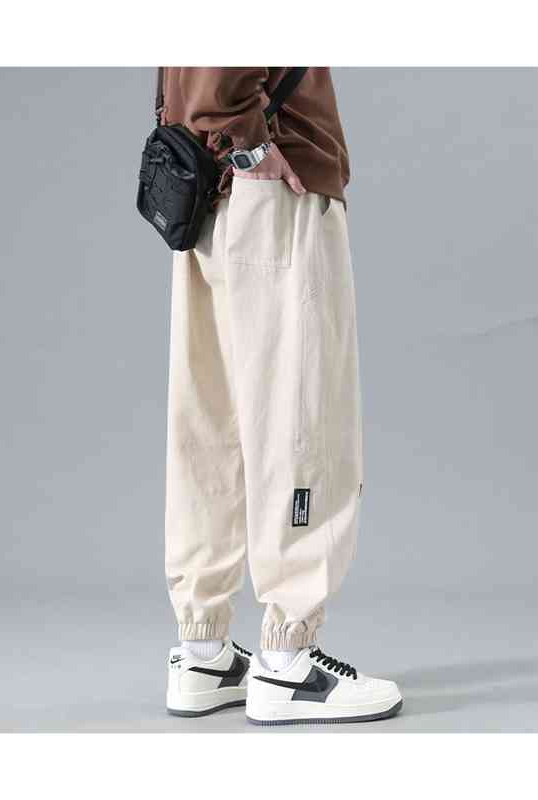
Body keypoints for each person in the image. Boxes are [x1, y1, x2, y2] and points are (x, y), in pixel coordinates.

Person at [160, 67, 402, 725]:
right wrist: (250, 142)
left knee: (210, 422)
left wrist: (221, 136)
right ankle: (288, 663)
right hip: (270, 185)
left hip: (204, 188)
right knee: (300, 416)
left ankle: (203, 651)